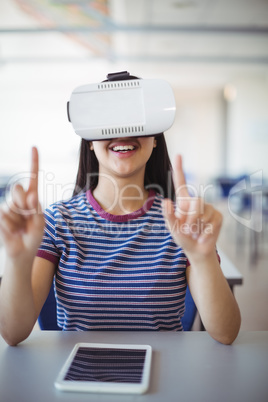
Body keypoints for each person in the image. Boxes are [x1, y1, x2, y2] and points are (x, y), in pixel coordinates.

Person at [0, 75, 241, 347]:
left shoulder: (181, 223)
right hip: (77, 378)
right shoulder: (57, 221)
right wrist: (17, 261)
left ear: (155, 139)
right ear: (89, 140)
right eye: (108, 120)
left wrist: (203, 258)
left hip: (166, 379)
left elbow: (226, 332)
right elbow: (13, 332)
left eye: (135, 117)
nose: (123, 131)